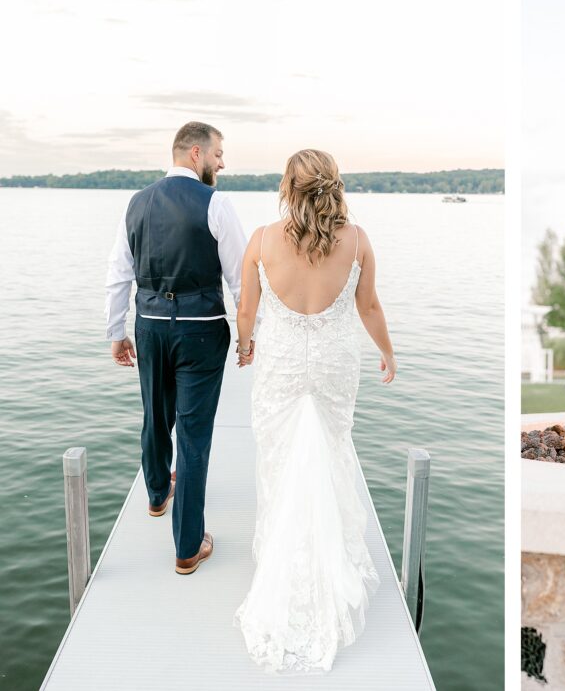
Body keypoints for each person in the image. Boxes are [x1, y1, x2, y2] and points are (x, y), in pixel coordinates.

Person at [232, 149, 396, 672]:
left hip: (281, 365)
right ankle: (329, 561)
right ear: (335, 186)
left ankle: (281, 562)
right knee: (331, 453)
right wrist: (388, 352)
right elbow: (369, 306)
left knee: (280, 462)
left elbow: (247, 310)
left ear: (287, 186)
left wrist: (245, 346)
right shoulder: (358, 240)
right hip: (333, 365)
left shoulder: (261, 240)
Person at [104, 122, 246, 574]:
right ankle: (187, 546)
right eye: (218, 154)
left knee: (155, 412)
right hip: (201, 330)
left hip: (149, 327)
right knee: (193, 435)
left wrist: (116, 331)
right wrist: (250, 334)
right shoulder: (216, 203)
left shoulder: (136, 202)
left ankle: (156, 493)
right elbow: (242, 279)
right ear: (195, 153)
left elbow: (118, 272)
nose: (222, 163)